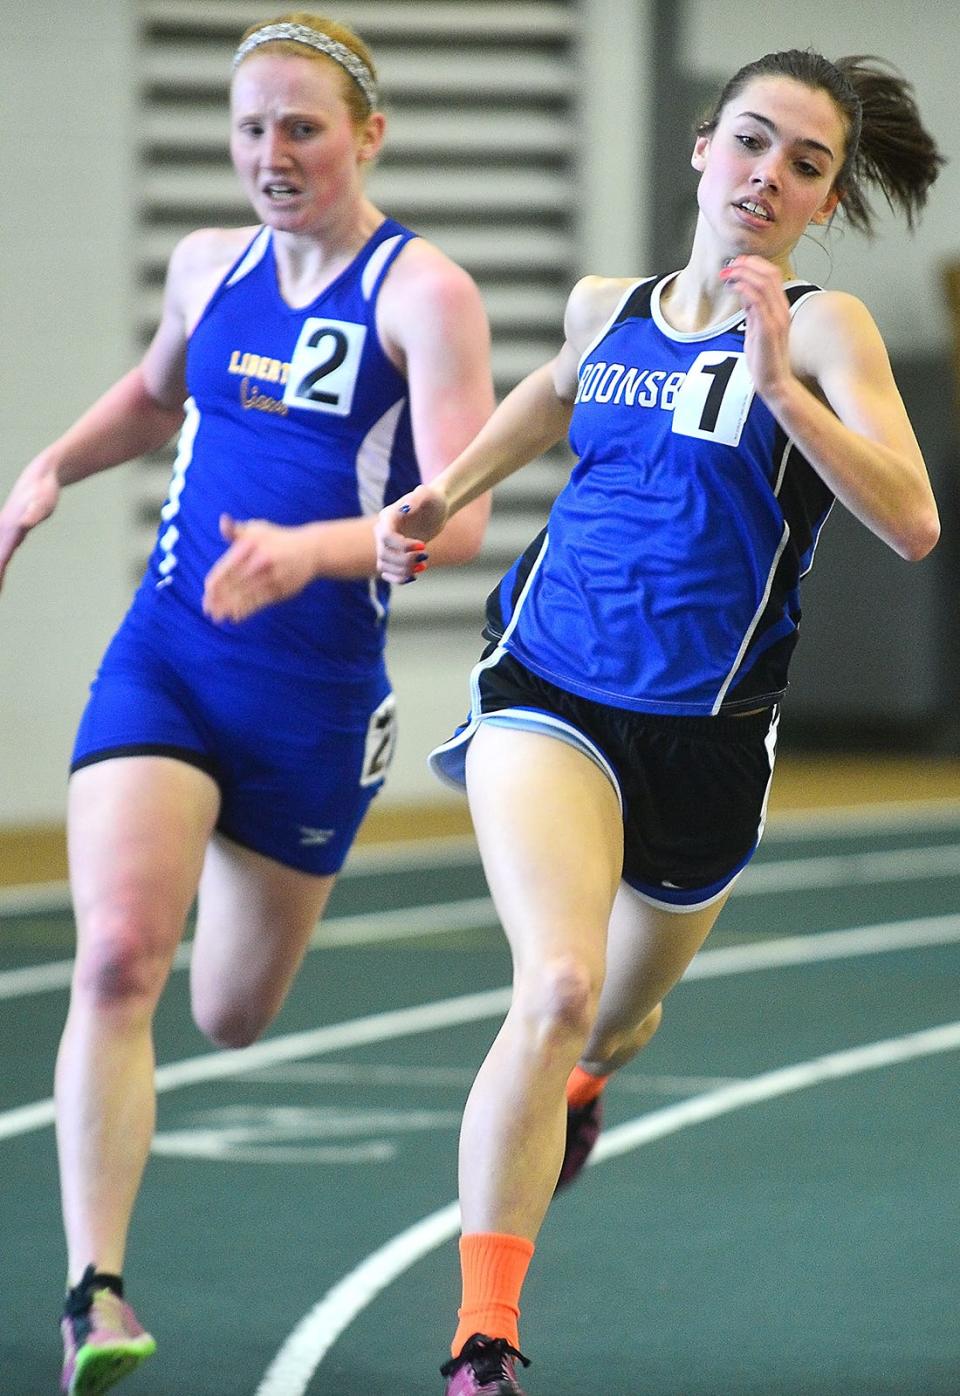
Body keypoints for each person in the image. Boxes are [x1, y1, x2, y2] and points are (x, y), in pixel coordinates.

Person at [375, 48, 943, 1396]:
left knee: (618, 1022)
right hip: (550, 688)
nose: (770, 175)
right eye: (752, 142)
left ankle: (585, 1086)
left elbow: (914, 521)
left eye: (806, 164)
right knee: (557, 986)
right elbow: (556, 389)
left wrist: (783, 383)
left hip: (704, 734)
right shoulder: (605, 305)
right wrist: (446, 487)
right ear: (703, 150)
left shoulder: (824, 329)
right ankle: (485, 1338)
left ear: (825, 201)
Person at [0, 13, 494, 1395]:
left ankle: (240, 838)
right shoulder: (207, 265)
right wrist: (51, 467)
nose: (270, 156)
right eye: (248, 129)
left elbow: (460, 517)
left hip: (314, 692)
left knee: (228, 1018)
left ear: (366, 136)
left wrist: (315, 554)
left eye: (301, 129)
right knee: (113, 962)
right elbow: (159, 399)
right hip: (169, 654)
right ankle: (94, 1293)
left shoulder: (423, 295)